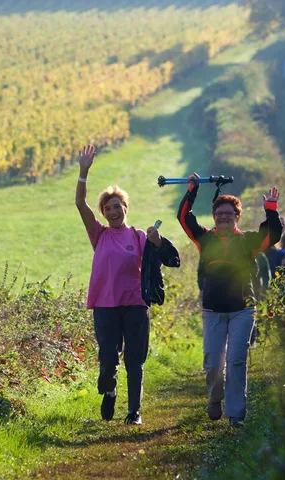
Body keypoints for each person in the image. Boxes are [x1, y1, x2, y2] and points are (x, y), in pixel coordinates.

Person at [75, 144, 179, 425]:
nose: (112, 212)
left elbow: (167, 257)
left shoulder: (138, 236)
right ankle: (109, 391)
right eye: (107, 208)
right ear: (104, 213)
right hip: (105, 306)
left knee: (135, 360)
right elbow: (80, 204)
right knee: (108, 359)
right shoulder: (99, 235)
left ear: (125, 208)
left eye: (116, 206)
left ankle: (134, 412)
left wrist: (157, 240)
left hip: (135, 304)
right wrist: (83, 172)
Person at [177, 173, 282, 427]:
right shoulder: (205, 239)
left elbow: (273, 235)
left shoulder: (247, 241)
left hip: (242, 311)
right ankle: (215, 398)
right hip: (212, 310)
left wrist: (270, 209)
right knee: (213, 364)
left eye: (229, 213)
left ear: (237, 217)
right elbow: (184, 218)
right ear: (214, 217)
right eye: (220, 213)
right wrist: (192, 190)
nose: (224, 217)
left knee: (236, 361)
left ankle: (236, 415)